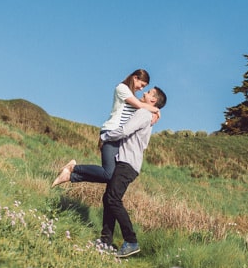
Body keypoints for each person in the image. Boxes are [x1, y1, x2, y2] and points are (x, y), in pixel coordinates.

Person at [55, 87, 167, 258]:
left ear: (153, 100)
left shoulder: (144, 114)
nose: (144, 93)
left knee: (113, 199)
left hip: (127, 164)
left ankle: (131, 241)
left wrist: (105, 137)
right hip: (127, 163)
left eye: (149, 92)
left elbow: (124, 131)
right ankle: (105, 241)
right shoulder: (147, 114)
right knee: (109, 199)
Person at [52, 70, 160, 188]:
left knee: (110, 176)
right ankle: (72, 168)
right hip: (111, 131)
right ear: (135, 78)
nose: (141, 89)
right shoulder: (122, 88)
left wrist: (156, 112)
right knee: (108, 174)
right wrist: (156, 111)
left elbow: (144, 108)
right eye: (142, 85)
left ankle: (70, 176)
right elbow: (141, 106)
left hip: (118, 135)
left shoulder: (133, 97)